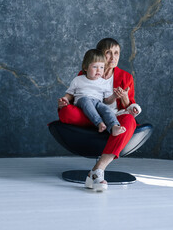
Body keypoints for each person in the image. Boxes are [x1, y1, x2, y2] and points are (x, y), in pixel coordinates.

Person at [58, 38, 137, 192]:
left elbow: (130, 105)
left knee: (129, 120)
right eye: (108, 53)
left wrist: (124, 98)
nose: (113, 58)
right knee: (66, 112)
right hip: (88, 114)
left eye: (116, 53)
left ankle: (98, 169)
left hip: (112, 115)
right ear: (100, 54)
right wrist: (64, 102)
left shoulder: (126, 77)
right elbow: (74, 94)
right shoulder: (87, 72)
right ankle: (99, 123)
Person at [58, 49, 126, 136]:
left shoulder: (103, 83)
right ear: (85, 67)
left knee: (106, 109)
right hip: (82, 102)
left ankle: (114, 126)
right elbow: (70, 94)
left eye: (101, 67)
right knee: (86, 100)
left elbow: (107, 100)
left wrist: (114, 96)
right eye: (95, 67)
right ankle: (99, 123)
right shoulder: (78, 79)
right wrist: (65, 99)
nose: (98, 70)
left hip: (97, 103)